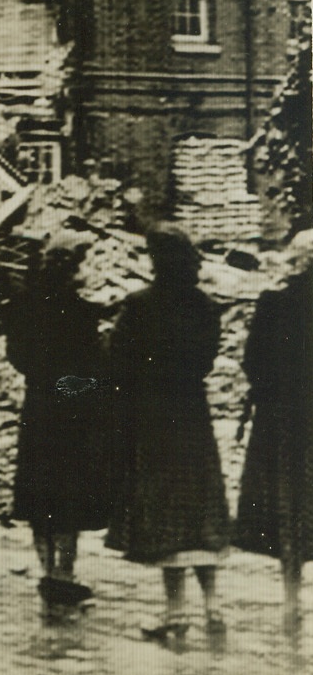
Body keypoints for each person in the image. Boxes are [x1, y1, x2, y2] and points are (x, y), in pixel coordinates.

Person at [106, 225, 229, 644]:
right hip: (193, 414)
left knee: (166, 510)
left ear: (155, 260)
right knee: (201, 505)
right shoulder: (206, 307)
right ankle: (213, 604)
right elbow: (208, 362)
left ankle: (175, 612)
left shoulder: (140, 306)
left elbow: (117, 361)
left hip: (154, 417)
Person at [0, 229, 111, 621]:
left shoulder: (25, 305)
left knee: (38, 493)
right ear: (74, 267)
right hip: (71, 415)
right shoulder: (81, 312)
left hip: (38, 408)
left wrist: (46, 381)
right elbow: (91, 370)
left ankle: (48, 571)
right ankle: (64, 573)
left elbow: (17, 356)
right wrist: (81, 385)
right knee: (68, 495)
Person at [234, 230, 313, 633]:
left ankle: (291, 597)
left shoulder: (274, 303)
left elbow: (252, 361)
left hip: (280, 419)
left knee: (287, 505)